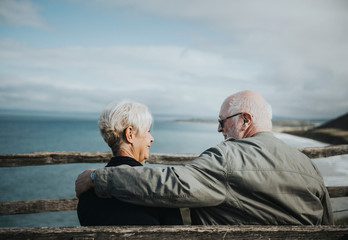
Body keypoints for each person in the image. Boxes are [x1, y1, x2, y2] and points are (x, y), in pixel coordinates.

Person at [76, 90, 333, 225]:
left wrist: (99, 177)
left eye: (222, 121)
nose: (219, 129)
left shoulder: (228, 158)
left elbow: (173, 185)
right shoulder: (308, 166)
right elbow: (327, 223)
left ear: (245, 120)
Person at [77, 100, 183, 226]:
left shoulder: (87, 192)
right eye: (147, 131)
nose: (151, 138)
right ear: (130, 134)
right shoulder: (159, 189)